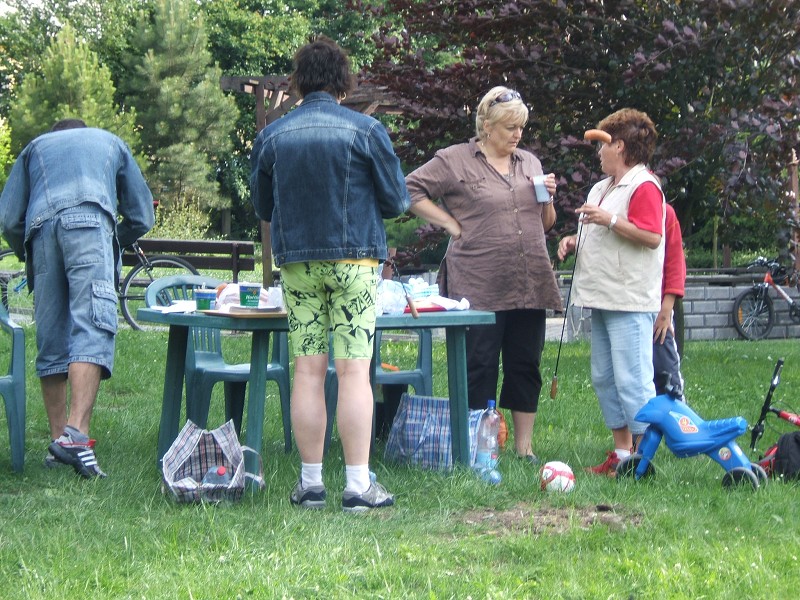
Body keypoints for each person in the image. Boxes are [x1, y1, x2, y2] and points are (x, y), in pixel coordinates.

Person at [249, 36, 410, 512]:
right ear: (343, 81)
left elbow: (262, 206)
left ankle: (311, 483)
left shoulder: (274, 135)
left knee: (307, 370)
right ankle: (358, 486)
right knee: (354, 371)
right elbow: (398, 201)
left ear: (298, 82)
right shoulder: (366, 129)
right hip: (357, 262)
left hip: (298, 262)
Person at [404, 86, 562, 464]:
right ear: (487, 126)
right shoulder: (455, 160)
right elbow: (409, 190)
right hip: (479, 279)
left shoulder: (530, 163)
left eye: (521, 127)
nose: (517, 134)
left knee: (526, 362)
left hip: (529, 279)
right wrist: (451, 225)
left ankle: (524, 448)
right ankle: (478, 445)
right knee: (480, 362)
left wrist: (548, 198)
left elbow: (546, 224)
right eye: (509, 127)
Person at [0, 118, 154, 478]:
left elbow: (7, 219)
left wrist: (27, 249)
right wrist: (113, 237)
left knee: (51, 332)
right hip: (89, 222)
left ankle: (58, 443)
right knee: (92, 323)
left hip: (41, 232)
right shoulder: (110, 141)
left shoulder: (34, 148)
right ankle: (76, 436)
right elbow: (142, 214)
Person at [557, 108, 665, 476]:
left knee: (633, 379)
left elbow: (652, 237)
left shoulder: (644, 186)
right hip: (601, 297)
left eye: (602, 146)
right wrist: (574, 240)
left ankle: (644, 458)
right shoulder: (601, 188)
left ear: (619, 146)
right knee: (605, 376)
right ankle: (621, 455)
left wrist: (611, 220)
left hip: (629, 300)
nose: (598, 153)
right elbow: (604, 234)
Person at [654, 202, 686, 401]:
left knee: (667, 375)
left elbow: (676, 264)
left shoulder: (666, 213)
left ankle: (681, 426)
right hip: (631, 306)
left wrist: (666, 310)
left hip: (659, 310)